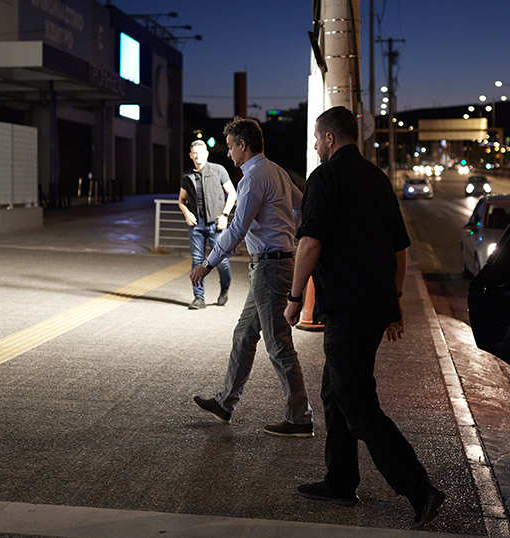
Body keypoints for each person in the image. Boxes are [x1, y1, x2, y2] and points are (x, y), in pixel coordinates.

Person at [284, 106, 445, 529]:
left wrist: (294, 298)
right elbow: (399, 251)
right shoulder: (377, 180)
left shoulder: (326, 178)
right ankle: (340, 482)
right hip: (373, 309)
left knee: (356, 403)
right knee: (335, 394)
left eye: (317, 139)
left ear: (330, 139)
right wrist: (393, 302)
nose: (316, 146)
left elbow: (310, 244)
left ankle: (419, 489)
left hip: (348, 311)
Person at [191, 116, 313, 437]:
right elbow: (303, 207)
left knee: (278, 345)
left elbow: (236, 228)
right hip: (274, 265)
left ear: (243, 145)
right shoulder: (277, 172)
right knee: (244, 336)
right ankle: (225, 403)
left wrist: (208, 263)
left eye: (230, 147)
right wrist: (291, 233)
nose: (228, 154)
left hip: (270, 269)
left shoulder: (253, 178)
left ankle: (300, 417)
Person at [179, 140, 236, 309]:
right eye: (194, 153)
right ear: (190, 155)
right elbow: (181, 200)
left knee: (221, 260)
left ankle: (225, 287)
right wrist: (186, 212)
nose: (197, 156)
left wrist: (225, 215)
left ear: (207, 154)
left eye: (201, 152)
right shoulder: (187, 176)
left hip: (216, 223)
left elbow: (232, 193)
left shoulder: (219, 170)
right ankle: (199, 298)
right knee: (197, 261)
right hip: (196, 225)